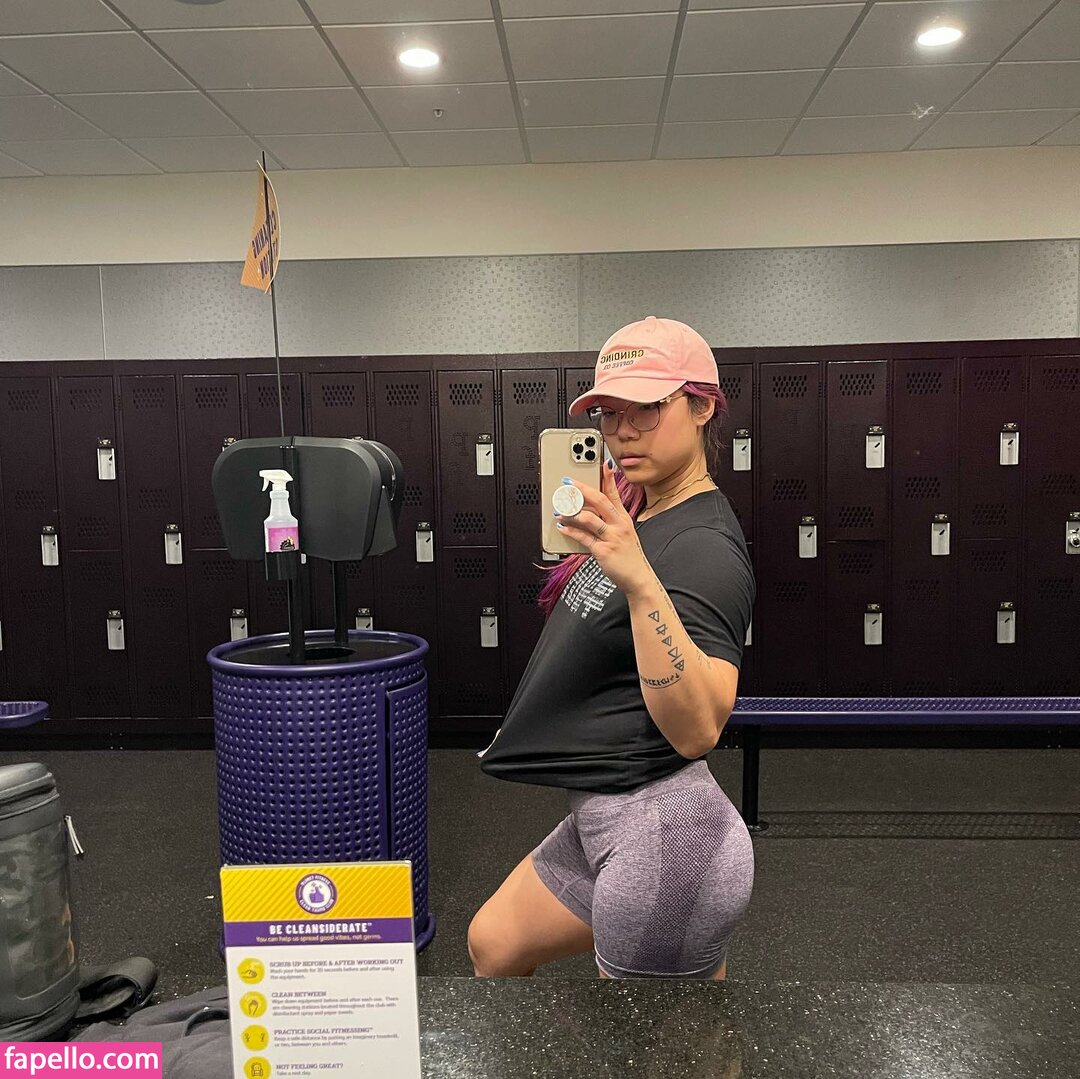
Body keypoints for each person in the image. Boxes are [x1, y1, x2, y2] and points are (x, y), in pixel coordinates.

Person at [469, 315, 756, 981]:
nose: (622, 430)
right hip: (606, 812)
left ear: (702, 407)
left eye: (646, 408)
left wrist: (639, 581)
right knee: (495, 943)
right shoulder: (642, 513)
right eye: (609, 412)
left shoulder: (703, 546)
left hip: (664, 837)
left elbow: (700, 728)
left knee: (649, 1035)